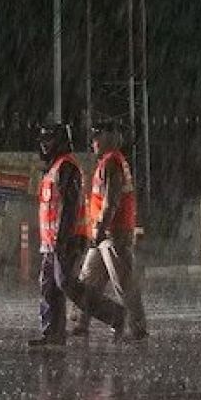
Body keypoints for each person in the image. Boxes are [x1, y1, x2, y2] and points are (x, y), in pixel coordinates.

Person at [28, 123, 124, 347]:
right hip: (53, 241)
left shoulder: (66, 166)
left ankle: (115, 315)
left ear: (60, 141)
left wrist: (62, 239)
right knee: (49, 286)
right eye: (42, 141)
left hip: (67, 239)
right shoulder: (55, 167)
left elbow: (69, 207)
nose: (44, 145)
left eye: (49, 140)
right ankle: (53, 333)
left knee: (66, 284)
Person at [70, 120, 149, 342]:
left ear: (110, 136)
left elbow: (110, 202)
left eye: (97, 136)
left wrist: (100, 229)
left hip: (114, 233)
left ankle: (137, 329)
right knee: (87, 280)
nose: (93, 141)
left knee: (123, 282)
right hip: (104, 234)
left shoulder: (112, 163)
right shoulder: (107, 162)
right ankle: (80, 323)